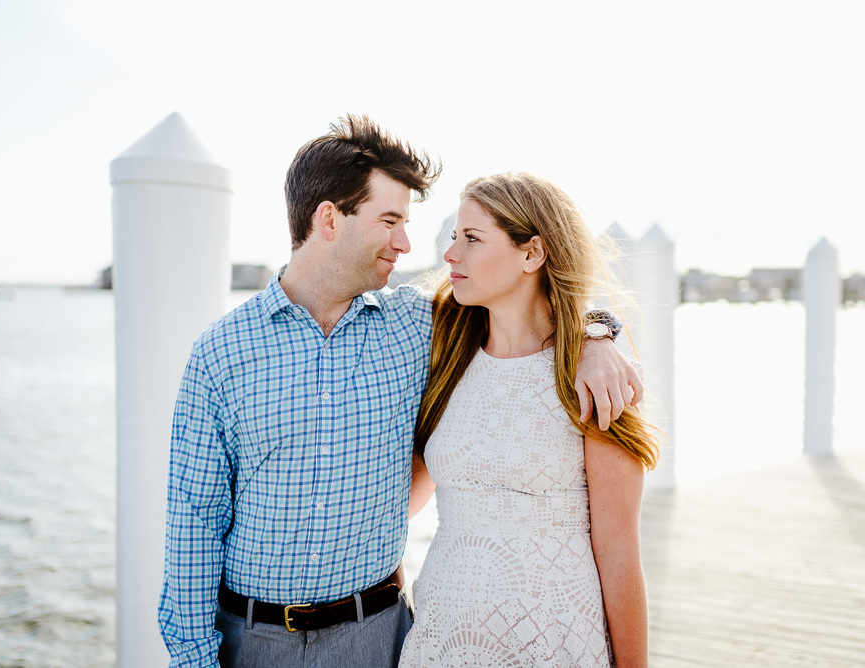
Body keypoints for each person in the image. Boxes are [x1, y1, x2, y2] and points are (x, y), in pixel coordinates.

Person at [157, 116, 644, 668]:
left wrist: (597, 334)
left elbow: (526, 308)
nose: (409, 243)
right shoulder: (222, 352)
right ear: (329, 220)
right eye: (390, 220)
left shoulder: (422, 324)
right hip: (254, 640)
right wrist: (193, 660)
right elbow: (194, 521)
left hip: (381, 636)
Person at [399, 173, 659, 667]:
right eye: (454, 238)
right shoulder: (444, 356)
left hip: (554, 642)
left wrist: (593, 335)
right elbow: (398, 508)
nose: (450, 254)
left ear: (532, 253)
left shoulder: (591, 377)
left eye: (471, 239)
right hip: (442, 641)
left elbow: (620, 550)